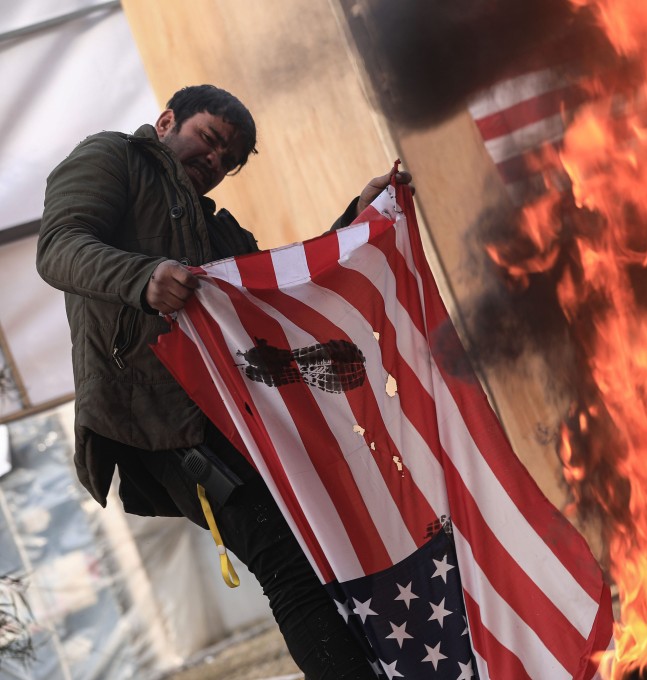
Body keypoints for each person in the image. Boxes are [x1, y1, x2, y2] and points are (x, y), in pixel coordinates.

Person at [36, 84, 408, 678]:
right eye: (209, 140)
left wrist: (357, 220)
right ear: (166, 122)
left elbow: (285, 292)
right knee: (287, 562)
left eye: (227, 160)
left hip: (232, 415)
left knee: (321, 552)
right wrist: (143, 277)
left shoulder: (218, 232)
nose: (213, 161)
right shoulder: (112, 156)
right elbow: (58, 246)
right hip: (160, 421)